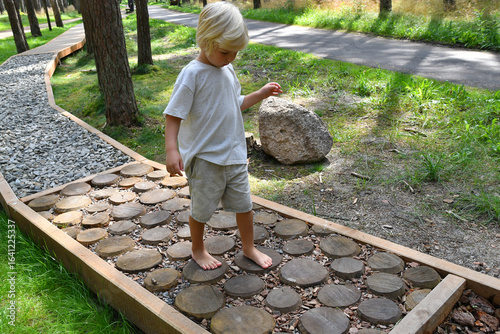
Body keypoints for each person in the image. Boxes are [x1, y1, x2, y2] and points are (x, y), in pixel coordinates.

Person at [164, 1, 282, 270]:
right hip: (206, 158)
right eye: (225, 52)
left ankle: (249, 247)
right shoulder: (191, 75)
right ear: (205, 41)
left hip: (235, 155)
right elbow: (174, 115)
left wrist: (259, 95)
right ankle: (198, 249)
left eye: (236, 53)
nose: (231, 58)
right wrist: (172, 150)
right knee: (202, 209)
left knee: (245, 205)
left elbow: (234, 103)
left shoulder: (227, 69)